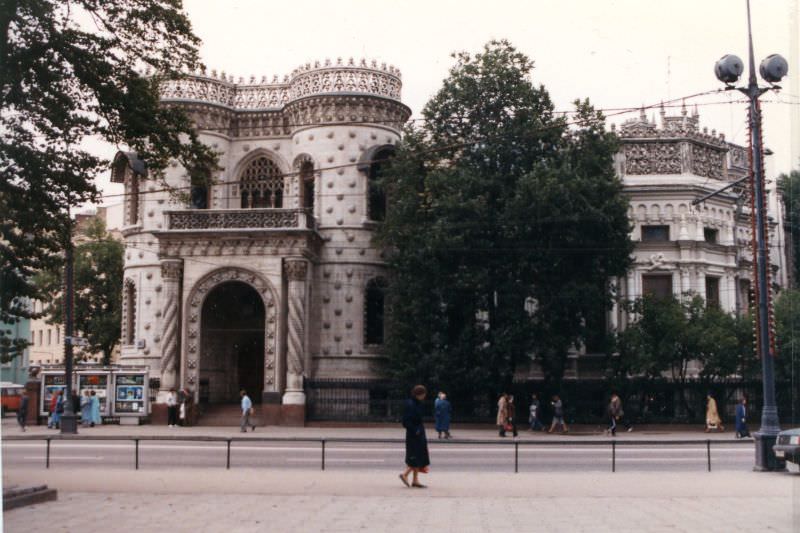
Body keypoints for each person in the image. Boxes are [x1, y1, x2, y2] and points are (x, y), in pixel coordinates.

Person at [399, 385, 430, 488]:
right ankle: (405, 474)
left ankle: (415, 480)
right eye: (424, 394)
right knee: (415, 456)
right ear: (419, 394)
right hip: (414, 434)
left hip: (419, 432)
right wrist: (415, 430)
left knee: (418, 456)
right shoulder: (411, 404)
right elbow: (405, 421)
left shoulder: (416, 403)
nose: (424, 396)